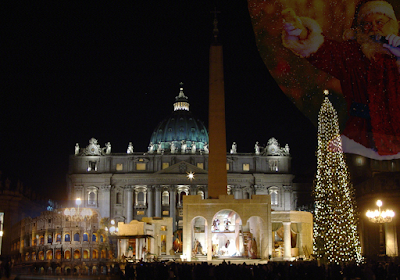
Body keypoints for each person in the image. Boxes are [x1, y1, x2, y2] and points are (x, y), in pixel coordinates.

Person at [282, 0, 400, 159]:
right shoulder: (353, 55)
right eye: (367, 24)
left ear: (392, 24)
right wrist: (301, 32)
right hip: (360, 139)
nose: (373, 27)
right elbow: (325, 51)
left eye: (379, 22)